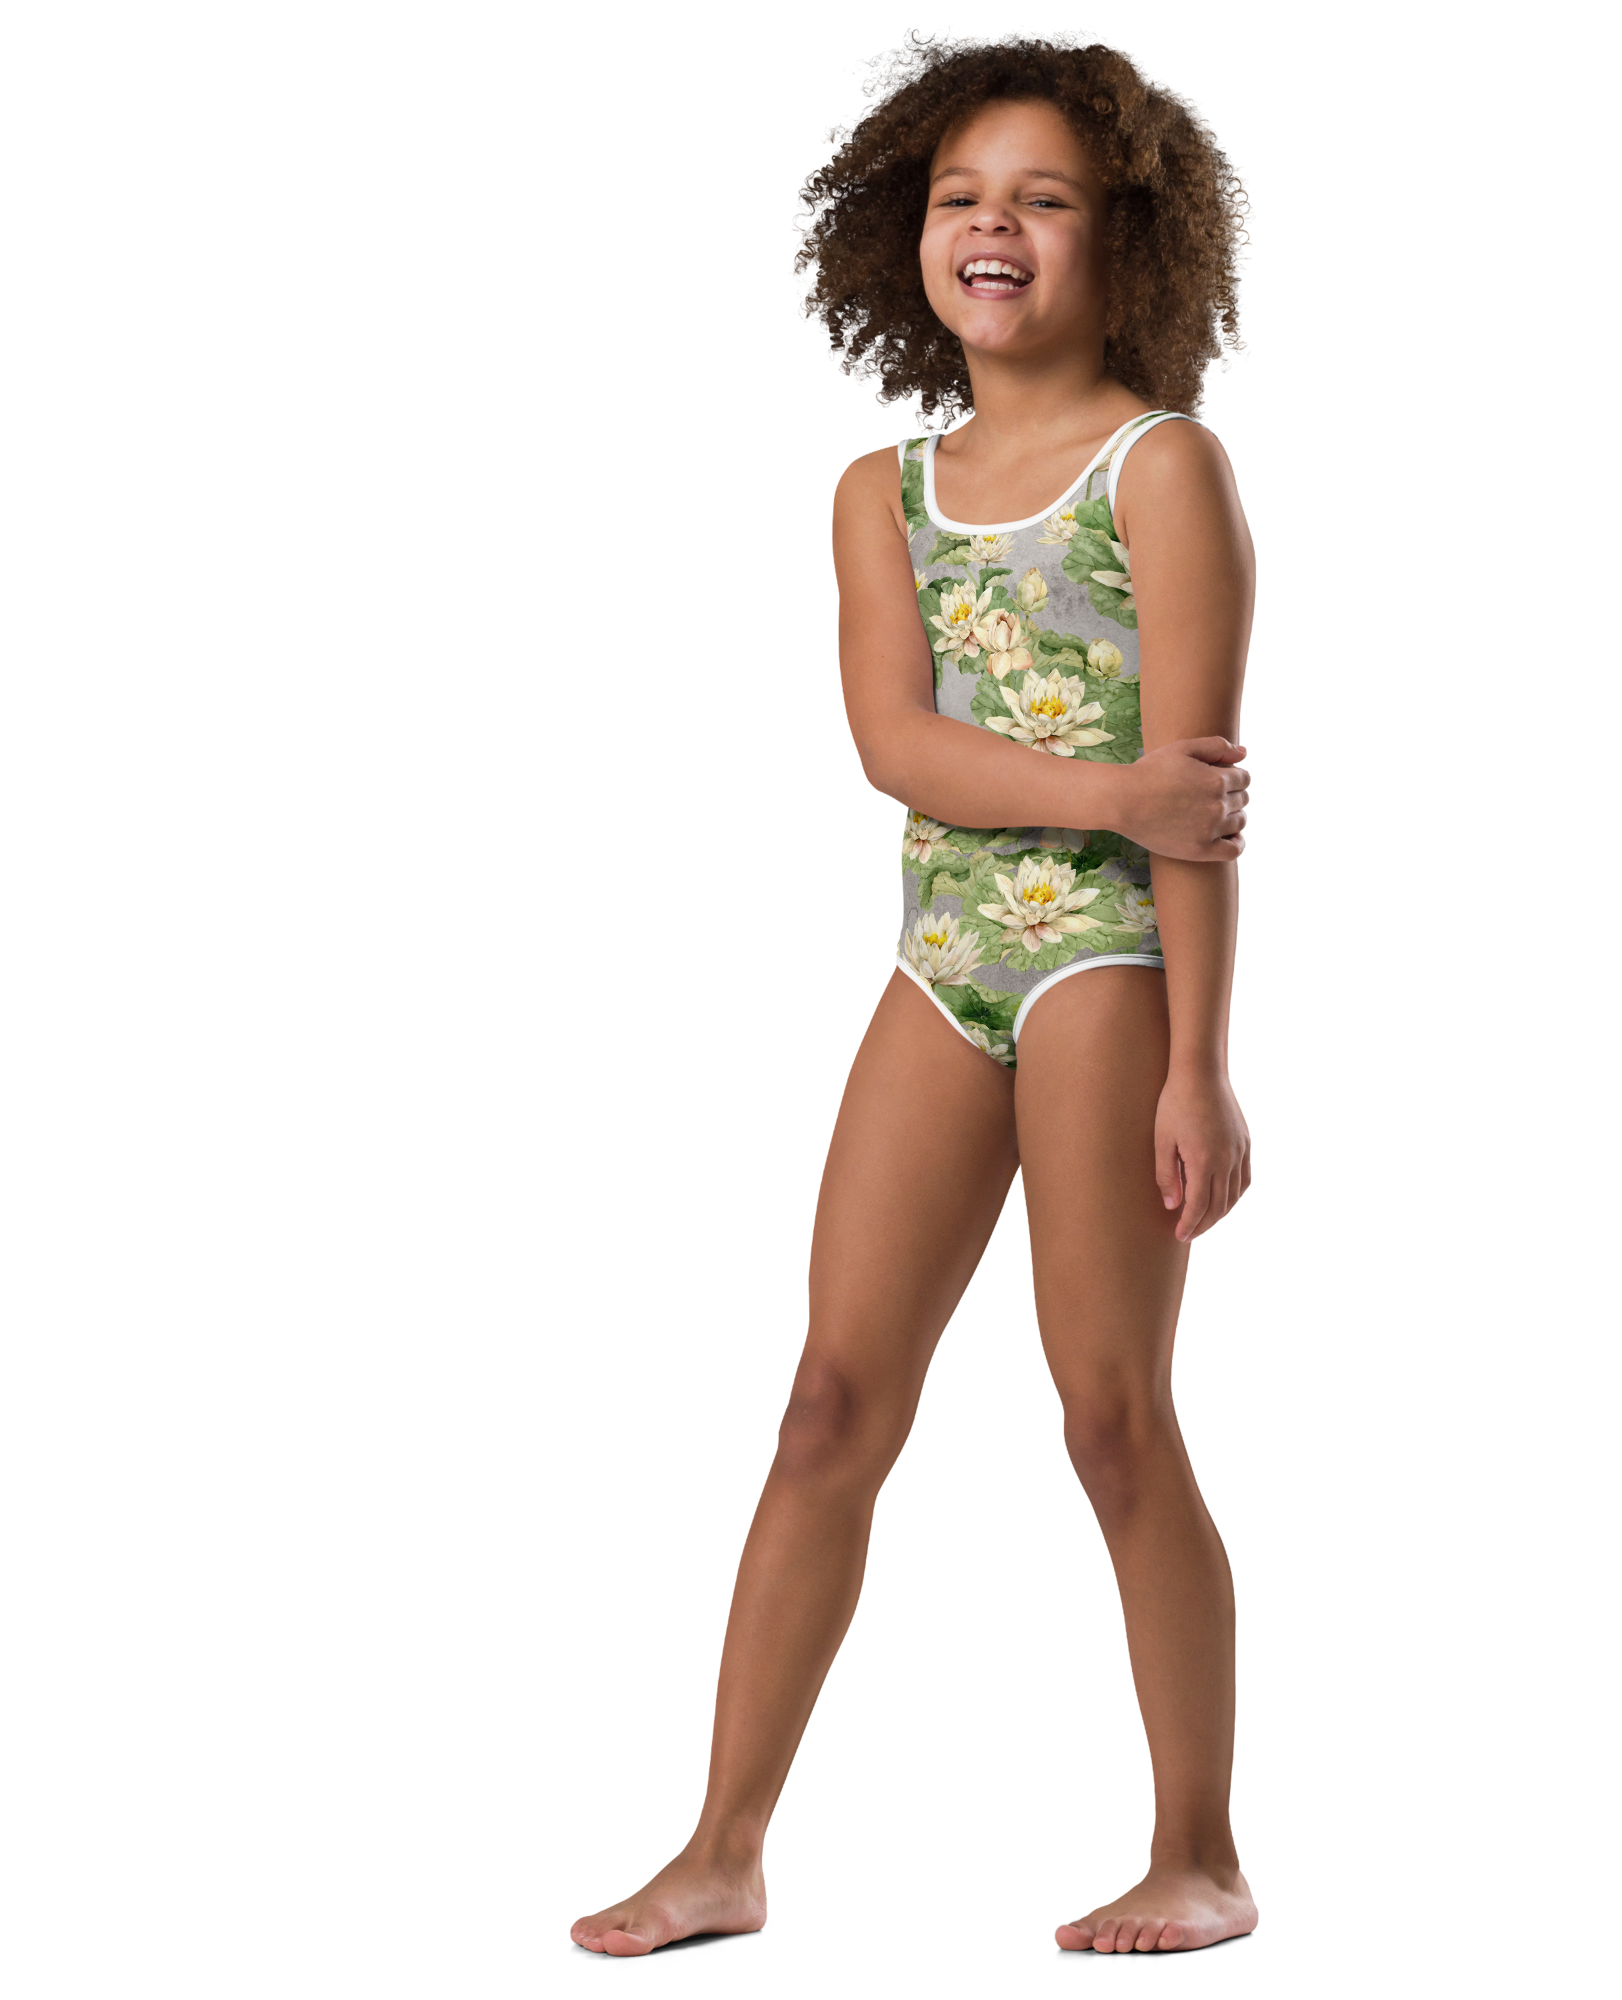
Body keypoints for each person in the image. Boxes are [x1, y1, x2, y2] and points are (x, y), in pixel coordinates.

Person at [570, 26, 1260, 1957]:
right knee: (825, 1404)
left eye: (1044, 199)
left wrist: (1203, 1066)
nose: (994, 228)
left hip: (1111, 965)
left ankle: (1199, 1856)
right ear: (907, 233)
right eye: (963, 196)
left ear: (1126, 240)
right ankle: (723, 1852)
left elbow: (1200, 811)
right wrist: (1111, 792)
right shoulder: (881, 493)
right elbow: (894, 746)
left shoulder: (1165, 468)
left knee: (1111, 1417)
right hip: (941, 960)